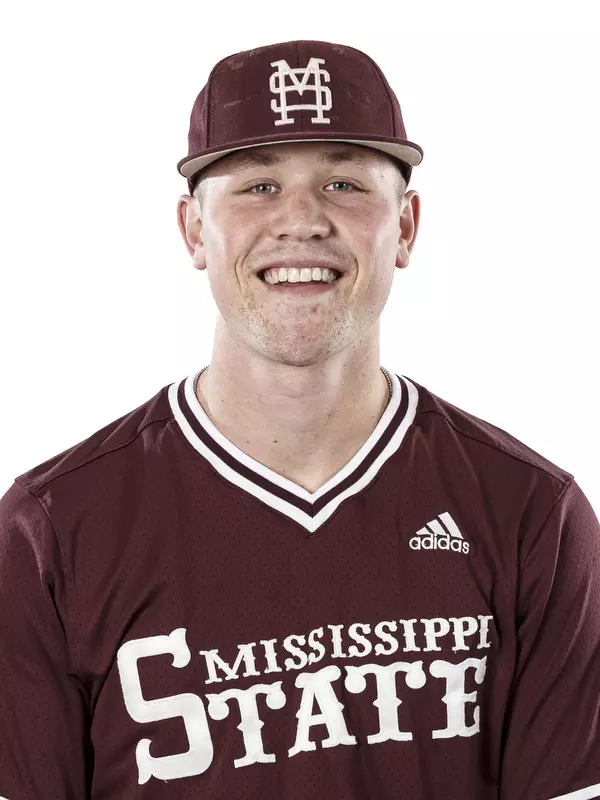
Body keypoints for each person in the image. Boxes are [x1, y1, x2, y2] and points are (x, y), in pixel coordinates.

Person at [0, 38, 598, 800]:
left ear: (406, 226)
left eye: (345, 183)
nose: (303, 221)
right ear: (192, 230)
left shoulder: (530, 514)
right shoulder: (52, 528)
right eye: (257, 187)